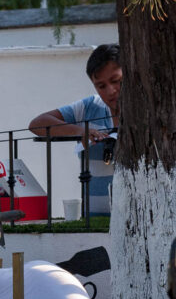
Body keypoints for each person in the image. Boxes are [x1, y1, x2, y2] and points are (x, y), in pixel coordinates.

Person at [28, 44, 122, 216]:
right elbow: (37, 124)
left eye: (116, 81)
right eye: (101, 86)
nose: (111, 91)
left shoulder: (149, 111)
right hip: (92, 219)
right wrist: (80, 131)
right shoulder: (89, 107)